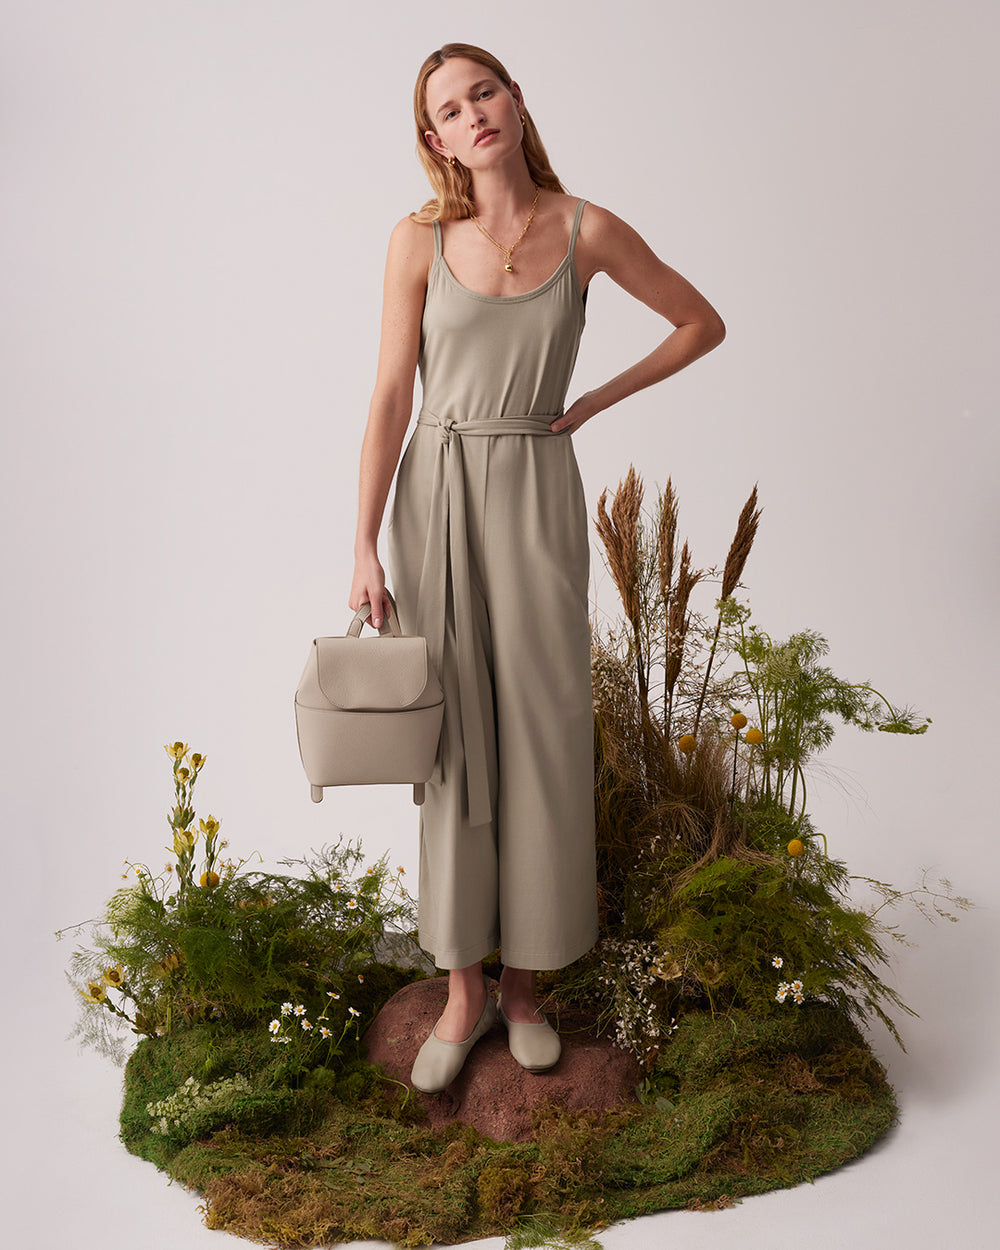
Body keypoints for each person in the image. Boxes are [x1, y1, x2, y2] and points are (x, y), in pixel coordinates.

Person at [349, 42, 725, 1093]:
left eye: (483, 92)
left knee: (546, 732)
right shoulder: (417, 239)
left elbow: (702, 321)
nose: (471, 115)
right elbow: (389, 396)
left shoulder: (585, 229)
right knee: (455, 741)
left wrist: (596, 399)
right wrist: (362, 539)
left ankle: (525, 988)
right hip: (436, 495)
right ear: (433, 139)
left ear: (514, 101)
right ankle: (462, 988)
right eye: (448, 109)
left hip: (536, 490)